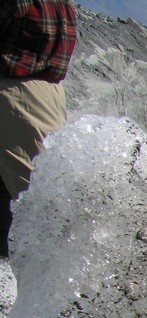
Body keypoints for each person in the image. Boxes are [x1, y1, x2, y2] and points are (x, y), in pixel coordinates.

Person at [0, 0, 77, 257]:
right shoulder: (63, 5)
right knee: (29, 191)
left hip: (12, 96)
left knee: (19, 196)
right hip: (50, 99)